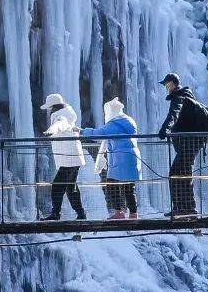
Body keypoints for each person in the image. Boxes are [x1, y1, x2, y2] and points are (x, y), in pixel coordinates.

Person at [158, 72, 208, 217]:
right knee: (183, 172)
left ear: (173, 84)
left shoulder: (179, 97)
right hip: (192, 142)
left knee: (176, 173)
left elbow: (174, 114)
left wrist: (164, 130)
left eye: (167, 84)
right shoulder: (186, 97)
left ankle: (184, 207)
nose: (166, 88)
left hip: (189, 142)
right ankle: (186, 207)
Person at [80, 98, 141, 219]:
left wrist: (82, 131)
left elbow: (99, 133)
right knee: (129, 187)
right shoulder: (129, 121)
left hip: (120, 158)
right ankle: (133, 213)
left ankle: (119, 212)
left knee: (111, 185)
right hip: (131, 157)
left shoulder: (115, 123)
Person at [41, 93, 87, 221]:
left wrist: (52, 129)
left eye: (50, 107)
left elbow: (61, 124)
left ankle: (56, 214)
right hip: (73, 157)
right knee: (71, 187)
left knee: (57, 185)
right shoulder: (68, 113)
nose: (49, 110)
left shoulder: (61, 116)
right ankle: (81, 214)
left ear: (55, 106)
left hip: (68, 157)